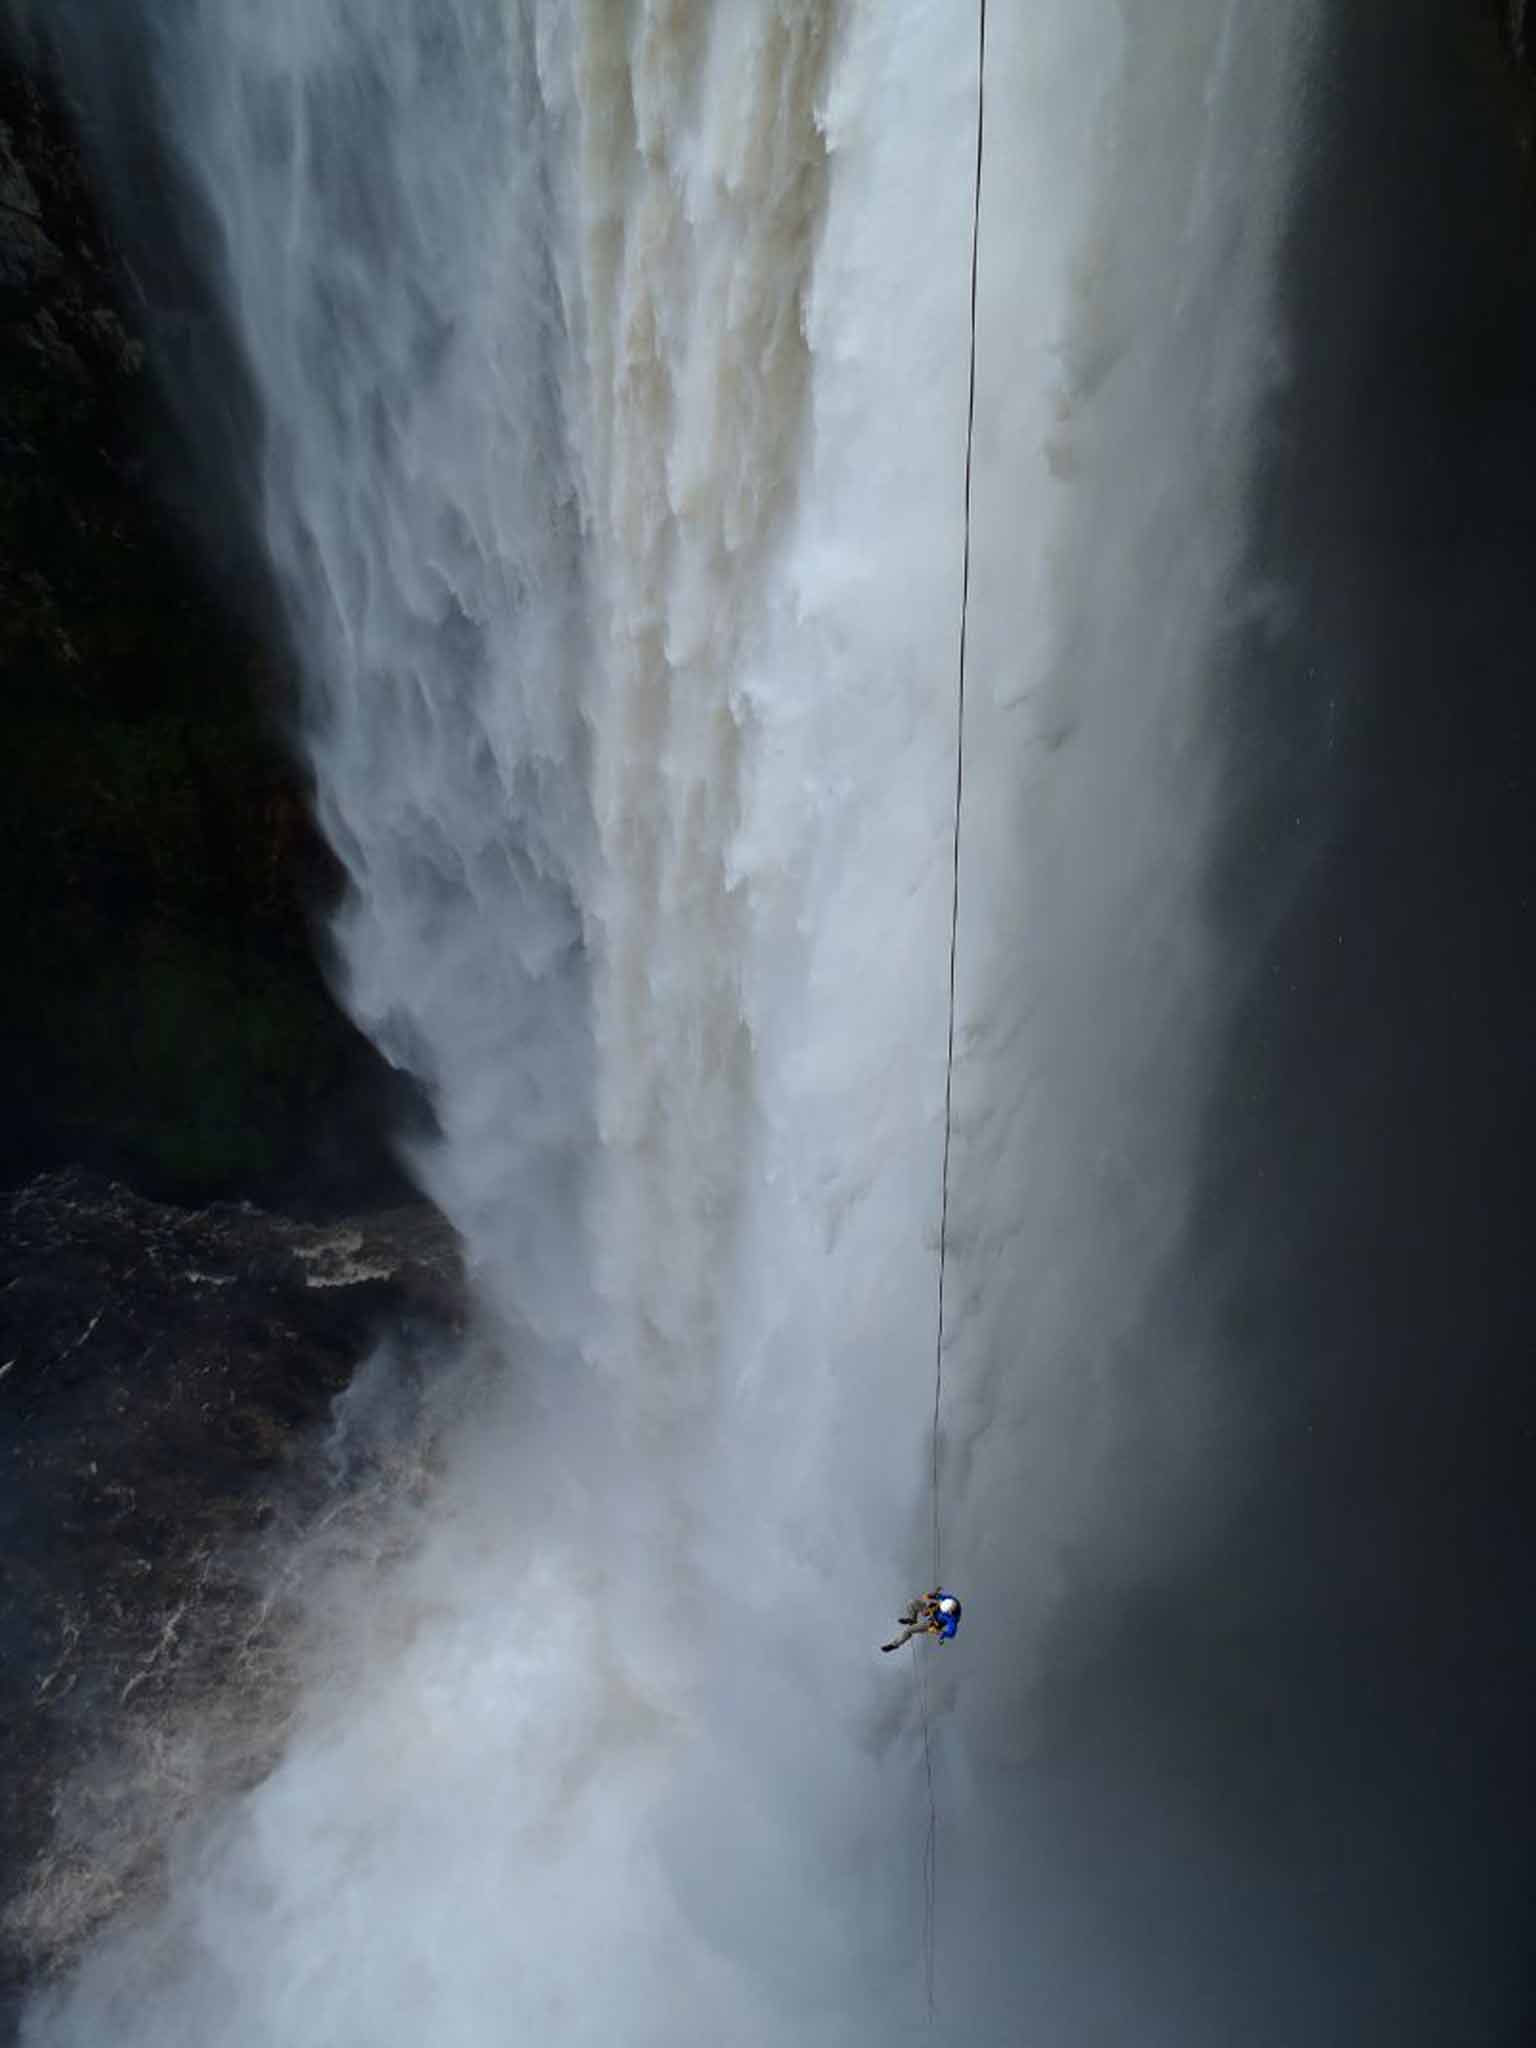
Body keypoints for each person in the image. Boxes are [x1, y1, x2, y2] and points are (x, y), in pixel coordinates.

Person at [881, 1588, 962, 1652]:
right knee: (912, 1602)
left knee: (908, 1630)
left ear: (950, 1612)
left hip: (932, 1622)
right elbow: (939, 1596)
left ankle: (894, 1645)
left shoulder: (952, 1619)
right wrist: (931, 1595)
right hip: (932, 1609)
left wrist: (940, 1633)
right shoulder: (951, 1600)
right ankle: (912, 1619)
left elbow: (951, 1634)